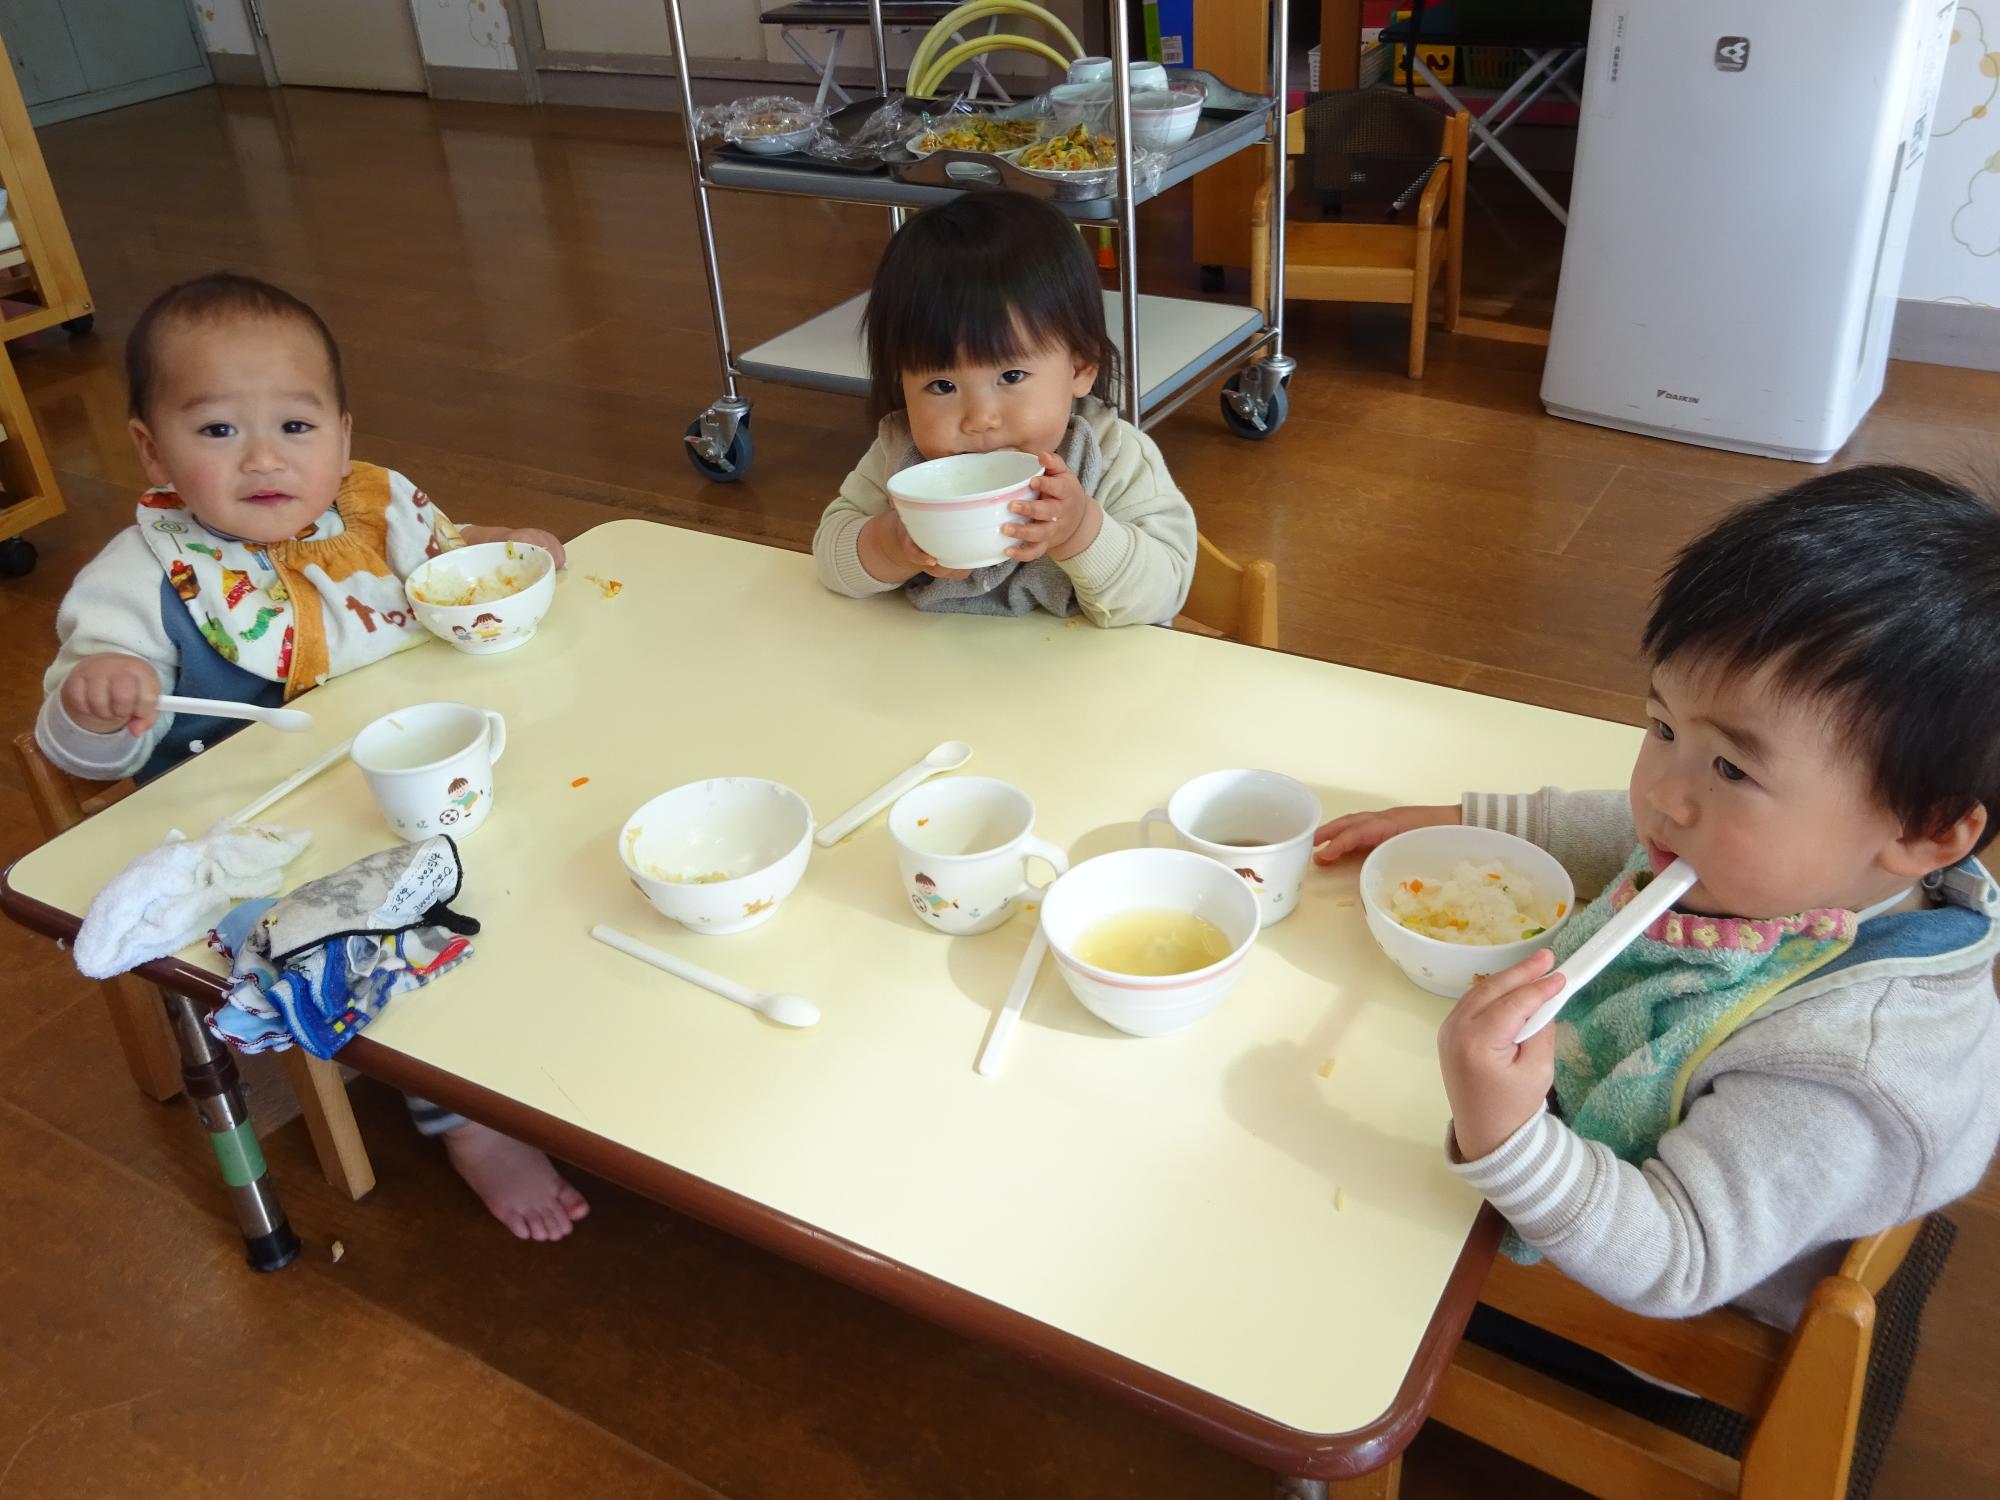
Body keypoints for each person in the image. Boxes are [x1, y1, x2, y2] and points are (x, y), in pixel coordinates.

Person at [1314, 466, 2000, 1328]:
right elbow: (1632, 831)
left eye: (1731, 767)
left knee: (1325, 1253)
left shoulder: (1846, 1069)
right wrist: (1465, 819)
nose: (1664, 797)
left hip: (1643, 1298)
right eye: (1663, 726)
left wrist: (1508, 1140)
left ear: (1926, 832)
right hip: (1572, 1131)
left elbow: (1677, 1259)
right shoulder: (1793, 862)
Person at [37, 272, 589, 1243]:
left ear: (341, 430)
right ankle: (459, 1115)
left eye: (296, 427)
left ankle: (525, 1031)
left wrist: (502, 549)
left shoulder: (373, 515)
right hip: (261, 842)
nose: (263, 458)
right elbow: (75, 753)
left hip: (404, 783)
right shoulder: (136, 581)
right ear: (148, 444)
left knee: (560, 829)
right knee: (368, 939)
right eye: (215, 431)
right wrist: (97, 699)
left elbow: (445, 567)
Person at [812, 192, 1196, 627]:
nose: (979, 419)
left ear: (1081, 368)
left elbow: (1165, 594)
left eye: (1011, 377)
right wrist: (889, 544)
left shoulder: (1114, 457)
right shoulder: (900, 459)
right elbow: (829, 559)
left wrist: (1080, 531)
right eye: (942, 385)